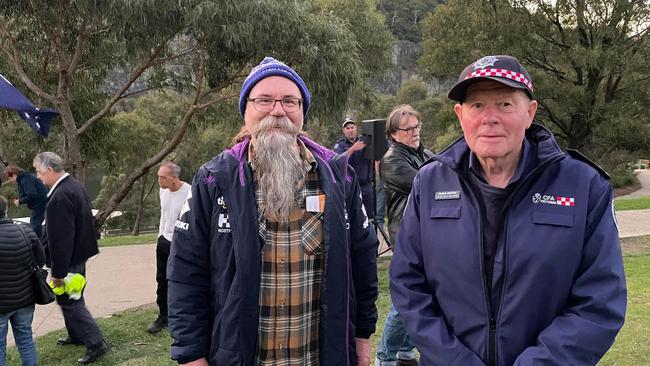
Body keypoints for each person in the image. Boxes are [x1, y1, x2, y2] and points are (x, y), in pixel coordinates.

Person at [390, 55, 627, 365]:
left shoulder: (583, 185)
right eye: (477, 106)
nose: (490, 117)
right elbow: (408, 285)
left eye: (504, 104)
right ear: (460, 115)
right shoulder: (430, 183)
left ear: (530, 113)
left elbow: (600, 301)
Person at [167, 56, 379, 366]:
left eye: (289, 101)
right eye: (264, 100)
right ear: (247, 110)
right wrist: (190, 355)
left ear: (302, 112)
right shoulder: (215, 178)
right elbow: (186, 270)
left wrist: (362, 336)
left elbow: (363, 258)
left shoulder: (338, 177)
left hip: (320, 356)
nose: (278, 110)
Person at [33, 152, 109, 364]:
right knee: (73, 296)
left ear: (49, 170)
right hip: (79, 253)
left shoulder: (60, 196)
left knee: (70, 301)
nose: (38, 177)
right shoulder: (74, 185)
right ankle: (76, 334)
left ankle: (96, 343)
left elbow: (60, 240)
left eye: (39, 172)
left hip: (69, 259)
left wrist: (58, 273)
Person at [376, 105, 433, 366]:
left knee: (425, 297)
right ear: (393, 134)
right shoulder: (391, 160)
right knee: (404, 301)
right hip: (406, 238)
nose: (414, 132)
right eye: (407, 129)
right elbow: (429, 184)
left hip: (429, 238)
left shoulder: (425, 155)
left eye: (417, 126)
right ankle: (385, 357)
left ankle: (406, 352)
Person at [0, 195, 45, 366]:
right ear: (6, 210)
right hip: (25, 299)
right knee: (25, 340)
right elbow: (40, 261)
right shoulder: (25, 230)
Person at [147, 162, 190, 334]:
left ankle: (184, 315)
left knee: (182, 280)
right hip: (164, 242)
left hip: (182, 243)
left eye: (163, 177)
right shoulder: (163, 190)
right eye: (158, 176)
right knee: (162, 280)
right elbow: (164, 214)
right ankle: (163, 316)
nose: (159, 180)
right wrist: (160, 236)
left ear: (174, 178)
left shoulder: (190, 192)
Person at [334, 117, 375, 217]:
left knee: (369, 216)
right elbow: (338, 161)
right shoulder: (340, 145)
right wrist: (353, 149)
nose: (350, 130)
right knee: (354, 216)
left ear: (356, 128)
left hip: (366, 186)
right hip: (350, 187)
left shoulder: (365, 141)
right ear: (344, 131)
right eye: (347, 128)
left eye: (352, 127)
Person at [3, 165, 48, 238]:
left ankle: (37, 242)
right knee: (36, 222)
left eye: (10, 178)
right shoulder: (24, 178)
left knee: (35, 223)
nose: (10, 180)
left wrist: (20, 201)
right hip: (40, 201)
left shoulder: (25, 179)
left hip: (41, 202)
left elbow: (31, 194)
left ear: (14, 175)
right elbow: (25, 192)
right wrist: (19, 200)